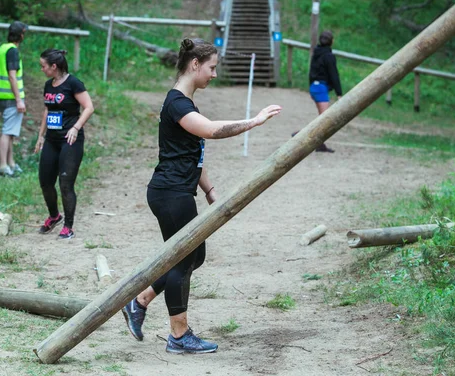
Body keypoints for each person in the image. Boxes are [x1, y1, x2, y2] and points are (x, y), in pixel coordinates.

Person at [121, 38, 282, 354]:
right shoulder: (178, 103)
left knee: (195, 256)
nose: (215, 74)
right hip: (170, 193)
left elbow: (190, 154)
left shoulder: (184, 103)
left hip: (177, 191)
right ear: (194, 64)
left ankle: (139, 302)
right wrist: (254, 120)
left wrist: (209, 190)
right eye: (212, 67)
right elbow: (210, 131)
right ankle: (179, 336)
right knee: (183, 259)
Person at [34, 49, 94, 239]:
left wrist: (75, 128)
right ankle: (54, 216)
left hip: (70, 140)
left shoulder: (73, 83)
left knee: (65, 183)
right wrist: (40, 136)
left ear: (54, 66)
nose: (41, 69)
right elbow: (47, 111)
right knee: (45, 182)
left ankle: (68, 226)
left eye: (44, 66)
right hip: (51, 140)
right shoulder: (48, 85)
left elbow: (89, 107)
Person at [0, 20, 28, 176]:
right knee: (7, 131)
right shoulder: (12, 51)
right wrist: (19, 99)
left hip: (1, 95)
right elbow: (12, 76)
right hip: (10, 97)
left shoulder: (3, 48)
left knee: (11, 131)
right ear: (21, 35)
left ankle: (11, 163)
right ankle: (3, 165)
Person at [307, 30, 342, 153]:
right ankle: (300, 134)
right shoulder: (329, 56)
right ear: (331, 41)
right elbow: (334, 75)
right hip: (321, 88)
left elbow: (311, 72)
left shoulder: (316, 53)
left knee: (322, 118)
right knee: (325, 119)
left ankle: (319, 144)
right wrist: (339, 93)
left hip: (314, 87)